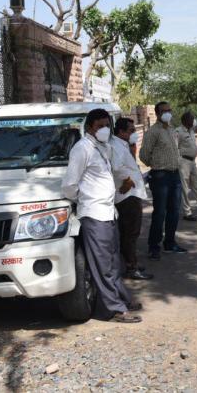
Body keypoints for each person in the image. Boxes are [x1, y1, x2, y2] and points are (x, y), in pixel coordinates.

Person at [62, 108, 141, 323]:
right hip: (94, 213)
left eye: (108, 125)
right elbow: (69, 185)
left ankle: (121, 298)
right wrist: (86, 198)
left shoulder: (102, 148)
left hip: (108, 212)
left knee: (113, 261)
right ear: (89, 128)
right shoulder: (82, 149)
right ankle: (113, 309)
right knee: (103, 265)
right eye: (100, 126)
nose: (105, 130)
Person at [139, 101, 187, 260]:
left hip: (175, 175)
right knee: (160, 212)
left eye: (170, 110)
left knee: (174, 210)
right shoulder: (153, 132)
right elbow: (144, 154)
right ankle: (154, 246)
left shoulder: (172, 130)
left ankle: (170, 242)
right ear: (158, 114)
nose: (168, 113)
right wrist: (156, 165)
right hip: (160, 176)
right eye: (164, 111)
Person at [110, 117, 153, 281]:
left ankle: (131, 262)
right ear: (121, 132)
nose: (134, 133)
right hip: (127, 195)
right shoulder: (116, 146)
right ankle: (131, 267)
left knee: (131, 233)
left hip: (132, 193)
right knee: (130, 233)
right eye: (131, 131)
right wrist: (128, 180)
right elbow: (117, 167)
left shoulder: (123, 145)